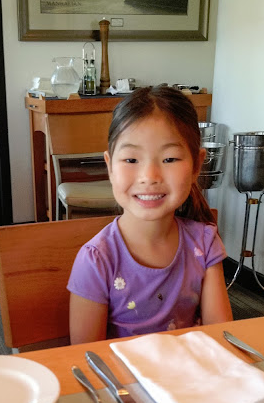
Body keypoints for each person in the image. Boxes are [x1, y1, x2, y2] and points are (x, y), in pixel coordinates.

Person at [67, 85, 233, 344]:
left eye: (170, 159)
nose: (149, 177)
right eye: (131, 160)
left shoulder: (205, 242)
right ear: (110, 167)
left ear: (197, 166)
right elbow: (87, 356)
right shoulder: (97, 260)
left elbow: (220, 339)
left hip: (190, 368)